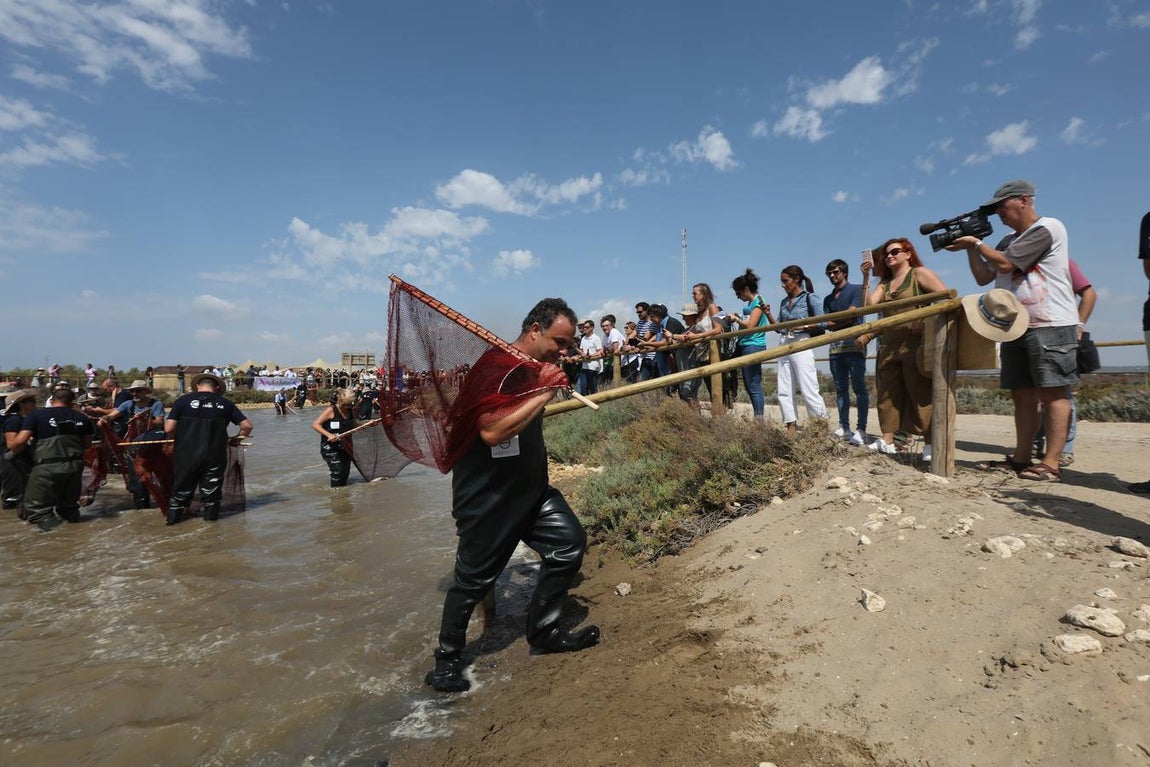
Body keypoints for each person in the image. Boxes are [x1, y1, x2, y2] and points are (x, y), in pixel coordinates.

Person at [424, 298, 599, 693]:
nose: (564, 351)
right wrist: (545, 392)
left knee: (568, 544)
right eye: (559, 341)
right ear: (535, 330)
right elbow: (492, 431)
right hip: (488, 496)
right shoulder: (495, 369)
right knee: (471, 581)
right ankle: (447, 661)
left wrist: (542, 382)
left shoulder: (530, 369)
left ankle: (545, 631)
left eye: (569, 345)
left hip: (531, 489)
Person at [951, 179, 1079, 481]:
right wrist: (969, 248)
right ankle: (1022, 459)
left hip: (1050, 323)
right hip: (1014, 326)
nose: (998, 213)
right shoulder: (1006, 240)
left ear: (1024, 200)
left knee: (1053, 391)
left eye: (1001, 206)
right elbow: (984, 276)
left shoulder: (1048, 228)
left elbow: (1006, 266)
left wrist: (976, 243)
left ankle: (1051, 463)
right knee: (1022, 394)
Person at [862, 238, 947, 458]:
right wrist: (865, 278)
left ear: (908, 254)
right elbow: (869, 306)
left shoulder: (919, 274)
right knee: (887, 394)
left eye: (895, 252)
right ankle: (887, 439)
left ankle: (930, 444)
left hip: (915, 344)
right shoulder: (885, 284)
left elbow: (945, 298)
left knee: (920, 393)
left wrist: (925, 317)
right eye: (886, 254)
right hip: (889, 345)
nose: (890, 256)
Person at [164, 372, 253, 525]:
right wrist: (236, 440)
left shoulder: (182, 401)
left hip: (186, 454)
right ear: (217, 388)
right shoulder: (225, 404)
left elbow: (169, 428)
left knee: (180, 493)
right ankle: (211, 530)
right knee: (211, 495)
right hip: (214, 455)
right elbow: (247, 426)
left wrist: (179, 437)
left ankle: (172, 525)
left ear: (198, 386)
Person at [1032, 259, 1096, 466]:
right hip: (1031, 334)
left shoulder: (1062, 262)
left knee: (1060, 393)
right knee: (1034, 394)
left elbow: (1089, 293)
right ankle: (1036, 444)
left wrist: (1078, 325)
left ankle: (1064, 449)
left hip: (1057, 332)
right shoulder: (1016, 262)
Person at [9, 387, 94, 531]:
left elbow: (19, 442)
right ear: (72, 402)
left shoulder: (37, 415)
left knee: (36, 510)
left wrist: (12, 453)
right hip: (74, 467)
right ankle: (75, 535)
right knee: (68, 507)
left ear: (52, 400)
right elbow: (87, 445)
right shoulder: (82, 417)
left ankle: (60, 537)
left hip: (47, 468)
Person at [773, 265, 829, 433]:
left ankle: (820, 427)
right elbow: (779, 327)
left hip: (802, 341)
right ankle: (791, 425)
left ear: (796, 280)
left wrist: (803, 325)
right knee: (783, 388)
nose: (783, 285)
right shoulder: (784, 302)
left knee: (808, 387)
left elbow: (823, 321)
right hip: (785, 342)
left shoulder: (809, 298)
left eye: (785, 281)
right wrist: (767, 313)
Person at [823, 259, 870, 446]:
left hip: (855, 346)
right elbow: (828, 323)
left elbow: (852, 313)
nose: (833, 276)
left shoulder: (857, 290)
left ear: (844, 272)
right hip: (835, 349)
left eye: (835, 272)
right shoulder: (828, 299)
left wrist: (839, 321)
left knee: (859, 388)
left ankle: (862, 429)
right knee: (840, 389)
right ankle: (844, 427)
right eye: (830, 273)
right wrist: (842, 320)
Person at [100, 380, 166, 508]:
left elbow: (160, 422)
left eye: (138, 391)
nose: (134, 393)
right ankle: (142, 506)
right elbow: (112, 415)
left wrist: (146, 419)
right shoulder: (127, 404)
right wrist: (104, 419)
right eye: (132, 391)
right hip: (133, 446)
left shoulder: (156, 404)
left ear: (146, 392)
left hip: (153, 443)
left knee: (159, 475)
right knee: (136, 479)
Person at [728, 268, 772, 419]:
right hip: (745, 344)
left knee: (753, 385)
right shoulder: (751, 303)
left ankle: (759, 419)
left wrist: (737, 319)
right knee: (748, 384)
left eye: (738, 293)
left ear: (746, 289)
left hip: (753, 344)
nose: (737, 296)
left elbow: (751, 325)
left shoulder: (758, 302)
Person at [669, 283, 723, 405]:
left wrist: (697, 336)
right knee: (711, 387)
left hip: (714, 352)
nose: (692, 296)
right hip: (703, 354)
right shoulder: (700, 313)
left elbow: (718, 329)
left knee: (718, 388)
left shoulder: (714, 307)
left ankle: (720, 417)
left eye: (695, 293)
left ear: (704, 294)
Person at [311, 389, 358, 487]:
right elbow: (315, 424)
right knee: (338, 471)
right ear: (339, 401)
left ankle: (344, 496)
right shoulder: (331, 410)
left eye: (349, 405)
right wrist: (329, 435)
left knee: (345, 472)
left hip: (346, 446)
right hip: (330, 447)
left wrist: (367, 425)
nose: (346, 407)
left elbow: (354, 426)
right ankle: (336, 496)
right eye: (344, 405)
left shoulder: (350, 411)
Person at [2, 389, 37, 512]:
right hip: (16, 463)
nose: (34, 403)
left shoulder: (27, 419)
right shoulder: (14, 420)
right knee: (18, 494)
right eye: (31, 401)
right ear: (21, 404)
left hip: (24, 460)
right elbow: (11, 444)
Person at [575, 319, 604, 396]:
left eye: (587, 327)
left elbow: (600, 351)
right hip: (584, 366)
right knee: (583, 387)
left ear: (592, 328)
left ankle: (596, 402)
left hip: (593, 366)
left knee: (592, 387)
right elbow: (581, 351)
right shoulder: (583, 338)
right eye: (584, 327)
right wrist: (577, 350)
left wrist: (591, 355)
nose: (585, 329)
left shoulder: (596, 338)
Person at [599, 315, 626, 387]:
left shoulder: (614, 331)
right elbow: (604, 349)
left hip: (625, 361)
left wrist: (607, 350)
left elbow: (615, 347)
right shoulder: (605, 336)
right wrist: (605, 351)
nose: (604, 328)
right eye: (603, 326)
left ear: (612, 325)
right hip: (616, 361)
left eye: (607, 325)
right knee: (606, 382)